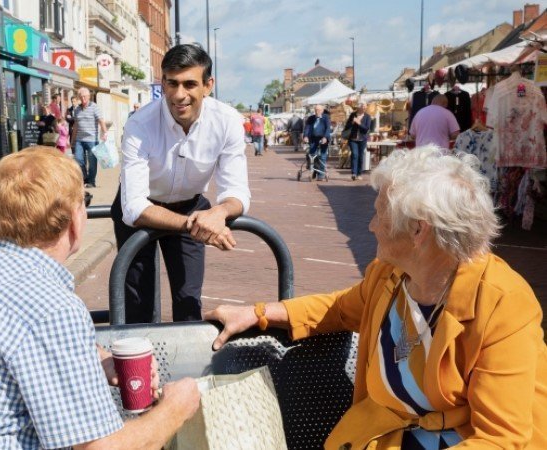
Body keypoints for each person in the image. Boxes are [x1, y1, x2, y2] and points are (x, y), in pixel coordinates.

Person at [206, 146, 547, 449]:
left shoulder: (502, 303)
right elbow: (339, 309)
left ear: (418, 230)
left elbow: (501, 438)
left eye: (380, 214)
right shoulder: (389, 275)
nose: (370, 225)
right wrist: (259, 313)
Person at [0, 147, 201, 449]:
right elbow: (97, 448)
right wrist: (175, 410)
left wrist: (96, 359)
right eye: (83, 203)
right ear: (74, 220)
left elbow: (23, 340)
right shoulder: (53, 306)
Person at [113, 43, 250, 324]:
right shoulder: (139, 124)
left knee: (188, 300)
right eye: (172, 83)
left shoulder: (227, 121)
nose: (179, 95)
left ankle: (186, 366)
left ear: (208, 85)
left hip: (191, 206)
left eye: (190, 84)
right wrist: (195, 225)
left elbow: (236, 191)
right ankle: (141, 366)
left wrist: (219, 214)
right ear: (162, 82)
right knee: (138, 302)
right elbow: (134, 207)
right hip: (146, 210)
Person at [70, 87, 107, 188]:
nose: (83, 98)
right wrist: (72, 140)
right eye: (81, 97)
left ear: (89, 96)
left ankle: (91, 181)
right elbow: (76, 125)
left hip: (92, 139)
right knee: (78, 159)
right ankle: (85, 177)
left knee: (92, 162)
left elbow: (101, 121)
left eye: (84, 96)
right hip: (79, 139)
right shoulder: (77, 109)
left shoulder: (94, 107)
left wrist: (105, 133)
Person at [344, 102, 373, 181]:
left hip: (362, 139)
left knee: (360, 156)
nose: (364, 108)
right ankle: (353, 173)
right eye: (362, 106)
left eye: (365, 107)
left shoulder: (367, 117)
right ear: (359, 107)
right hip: (353, 139)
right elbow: (347, 126)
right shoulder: (353, 115)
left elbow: (366, 128)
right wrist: (352, 123)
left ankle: (359, 173)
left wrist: (359, 123)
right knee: (354, 154)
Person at [303, 104, 332, 179]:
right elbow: (307, 128)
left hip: (323, 139)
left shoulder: (326, 118)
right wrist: (305, 136)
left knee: (322, 156)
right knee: (312, 155)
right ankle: (313, 171)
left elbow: (328, 129)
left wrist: (325, 137)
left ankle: (321, 175)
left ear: (322, 111)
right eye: (315, 110)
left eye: (318, 110)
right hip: (313, 139)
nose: (317, 111)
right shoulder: (311, 118)